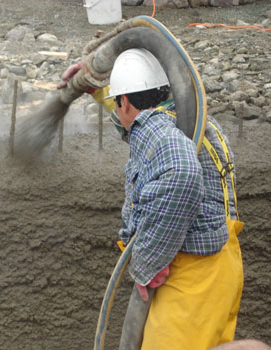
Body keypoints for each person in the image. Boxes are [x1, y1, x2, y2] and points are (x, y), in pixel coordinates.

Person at [59, 49, 244, 350]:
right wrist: (97, 89)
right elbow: (137, 129)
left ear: (126, 102)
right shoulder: (186, 120)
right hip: (220, 266)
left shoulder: (159, 132)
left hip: (190, 274)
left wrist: (150, 261)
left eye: (119, 102)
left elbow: (181, 172)